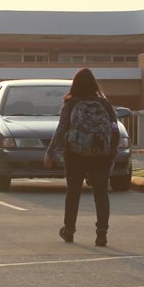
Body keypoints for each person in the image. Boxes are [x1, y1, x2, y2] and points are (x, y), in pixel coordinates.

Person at [43, 67, 119, 247]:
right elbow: (114, 129)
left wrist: (50, 152)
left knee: (73, 192)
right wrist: (111, 153)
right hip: (101, 154)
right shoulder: (105, 104)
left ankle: (69, 230)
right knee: (101, 194)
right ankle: (101, 234)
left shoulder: (70, 103)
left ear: (75, 84)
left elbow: (61, 129)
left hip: (75, 154)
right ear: (94, 84)